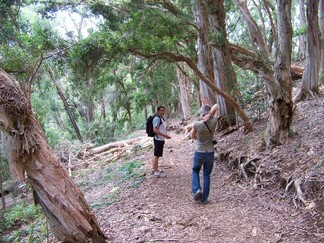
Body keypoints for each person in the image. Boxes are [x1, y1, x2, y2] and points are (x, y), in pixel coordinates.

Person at [191, 103, 219, 204]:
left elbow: (192, 136)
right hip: (210, 152)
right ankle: (204, 199)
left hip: (199, 152)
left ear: (202, 113)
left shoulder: (197, 124)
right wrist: (211, 114)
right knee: (206, 174)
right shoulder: (214, 122)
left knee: (195, 170)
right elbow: (216, 106)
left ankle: (197, 190)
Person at [152, 106, 171, 178]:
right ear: (158, 111)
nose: (163, 112)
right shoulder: (157, 118)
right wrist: (165, 135)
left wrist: (165, 135)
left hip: (161, 139)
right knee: (156, 155)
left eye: (164, 110)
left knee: (157, 155)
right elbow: (155, 130)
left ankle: (155, 169)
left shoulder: (160, 118)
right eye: (161, 110)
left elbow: (161, 128)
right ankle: (156, 171)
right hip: (158, 139)